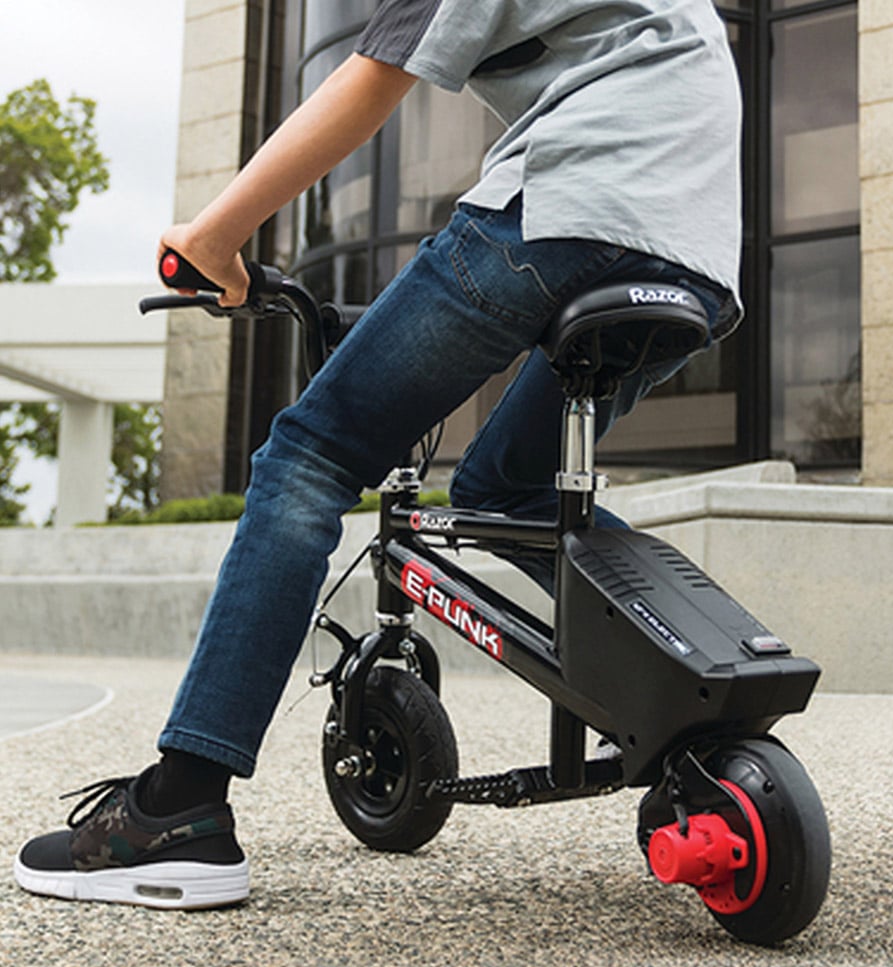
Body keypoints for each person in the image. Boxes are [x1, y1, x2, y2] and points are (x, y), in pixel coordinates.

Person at [13, 0, 743, 909]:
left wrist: (212, 237)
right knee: (512, 493)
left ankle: (181, 810)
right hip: (696, 256)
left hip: (569, 207)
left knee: (308, 458)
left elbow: (366, 86)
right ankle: (702, 712)